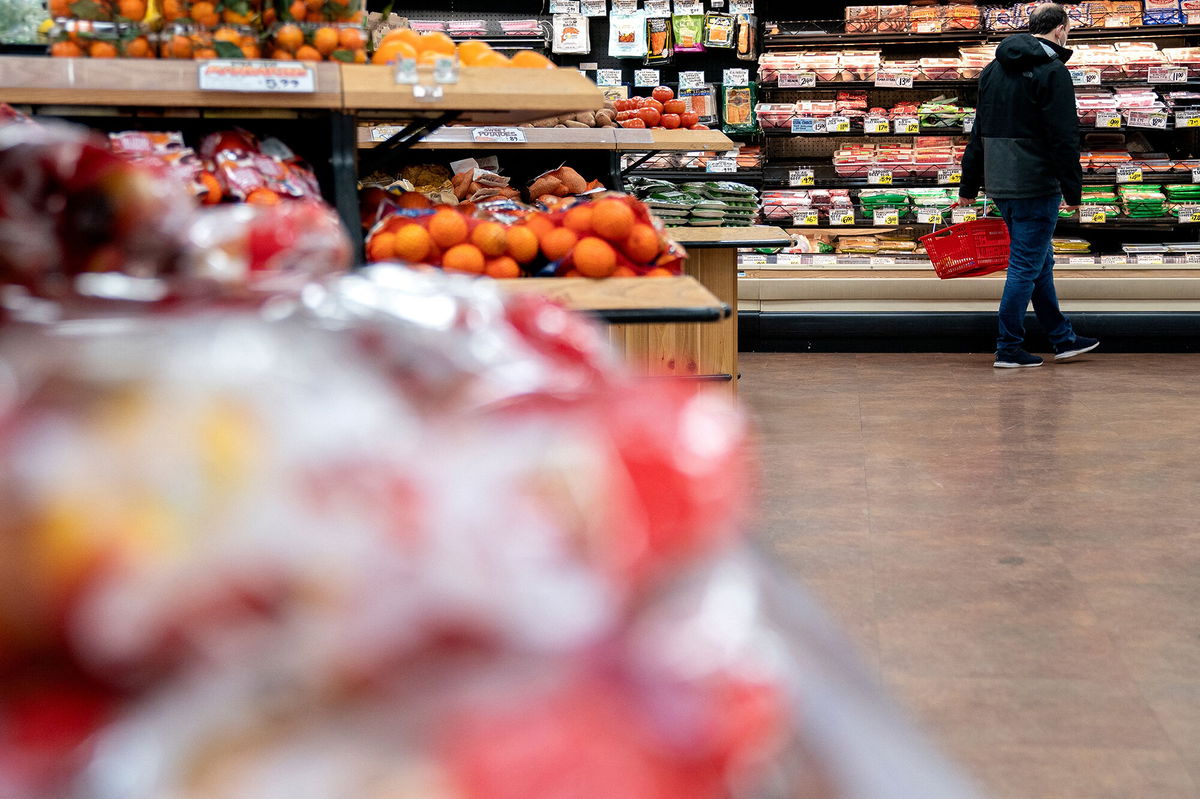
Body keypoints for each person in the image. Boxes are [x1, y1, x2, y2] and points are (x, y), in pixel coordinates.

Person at [958, 2, 1100, 368]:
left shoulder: (992, 69)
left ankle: (1063, 338)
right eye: (1068, 30)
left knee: (1040, 262)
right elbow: (1063, 137)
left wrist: (969, 185)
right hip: (1036, 184)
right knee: (1024, 266)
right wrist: (1073, 190)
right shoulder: (1052, 71)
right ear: (1059, 31)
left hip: (1001, 183)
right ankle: (1008, 348)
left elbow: (978, 132)